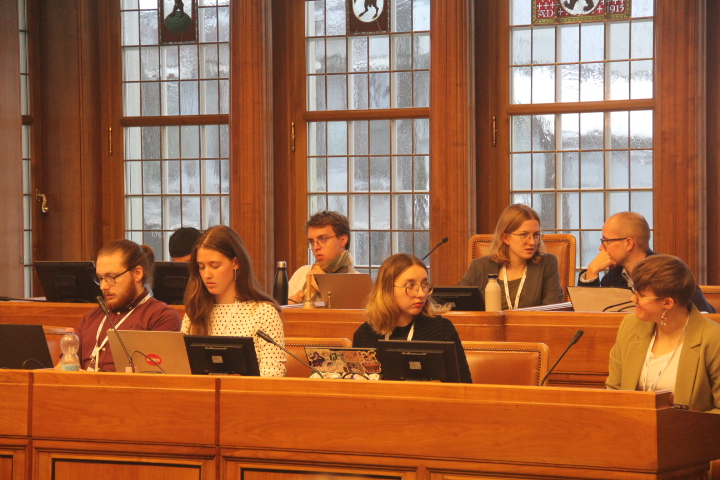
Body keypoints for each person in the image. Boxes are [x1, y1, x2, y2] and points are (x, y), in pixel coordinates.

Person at [606, 255, 720, 413]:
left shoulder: (713, 339)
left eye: (641, 296)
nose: (633, 299)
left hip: (689, 428)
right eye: (635, 292)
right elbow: (613, 390)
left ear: (668, 303)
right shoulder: (630, 326)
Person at [182, 225, 286, 377]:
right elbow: (182, 370)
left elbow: (273, 374)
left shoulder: (264, 313)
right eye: (201, 267)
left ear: (236, 263)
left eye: (214, 266)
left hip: (246, 392)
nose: (207, 275)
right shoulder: (194, 312)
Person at [353, 253, 472, 383]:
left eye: (424, 285)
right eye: (410, 286)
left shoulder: (442, 329)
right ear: (387, 289)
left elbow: (464, 386)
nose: (421, 294)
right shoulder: (365, 334)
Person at [74, 240, 181, 372]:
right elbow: (65, 365)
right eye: (100, 278)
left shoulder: (161, 316)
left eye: (111, 277)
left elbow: (157, 378)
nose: (103, 286)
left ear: (137, 273)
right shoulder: (91, 317)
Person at [577, 211, 715, 313]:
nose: (601, 247)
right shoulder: (612, 278)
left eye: (605, 241)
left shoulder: (669, 272)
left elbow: (706, 316)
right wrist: (591, 273)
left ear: (628, 243)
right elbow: (590, 317)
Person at [459, 204, 563, 309]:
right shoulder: (479, 267)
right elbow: (459, 306)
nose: (532, 242)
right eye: (524, 235)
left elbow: (552, 310)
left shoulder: (547, 264)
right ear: (506, 238)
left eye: (536, 234)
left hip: (532, 320)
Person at [288, 211, 358, 304]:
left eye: (322, 239)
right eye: (312, 241)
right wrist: (291, 306)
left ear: (343, 240)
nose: (315, 247)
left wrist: (324, 286)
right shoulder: (301, 274)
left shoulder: (357, 282)